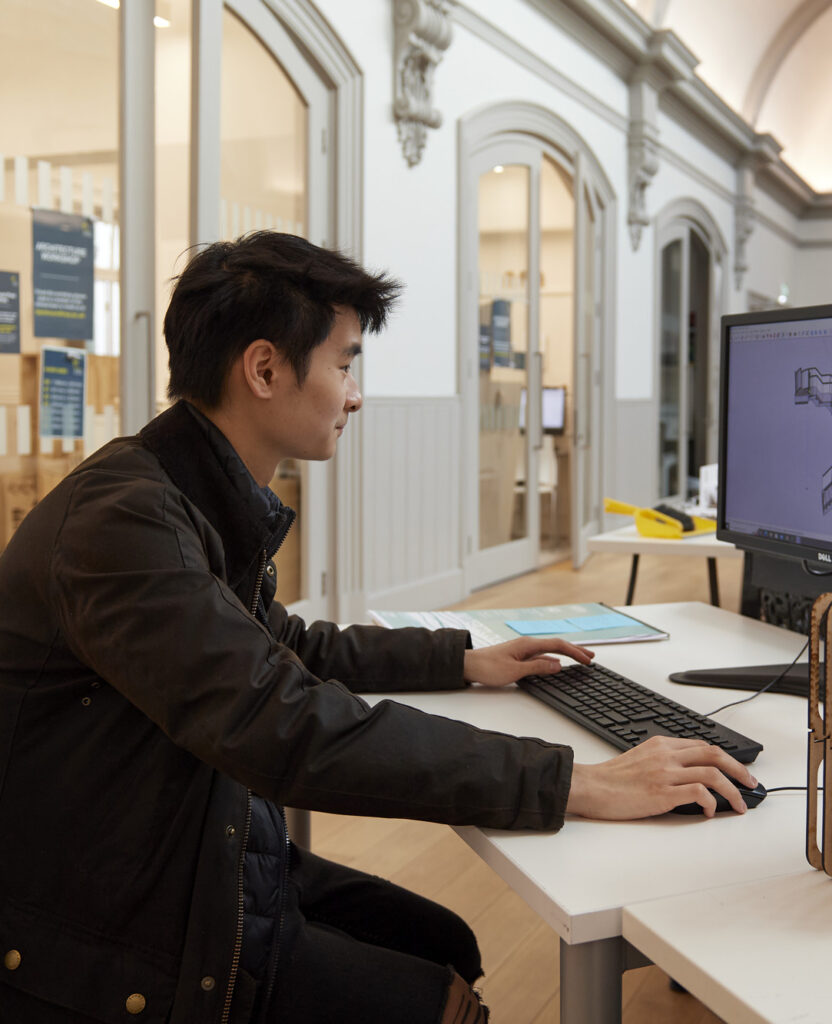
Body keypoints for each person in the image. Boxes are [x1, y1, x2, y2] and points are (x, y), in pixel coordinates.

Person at [0, 232, 757, 1024]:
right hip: (113, 920)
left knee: (447, 941)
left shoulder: (182, 493)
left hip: (190, 847)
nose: (354, 395)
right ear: (263, 370)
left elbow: (284, 649)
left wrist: (466, 660)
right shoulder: (123, 523)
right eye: (344, 364)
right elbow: (281, 725)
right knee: (443, 995)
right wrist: (575, 780)